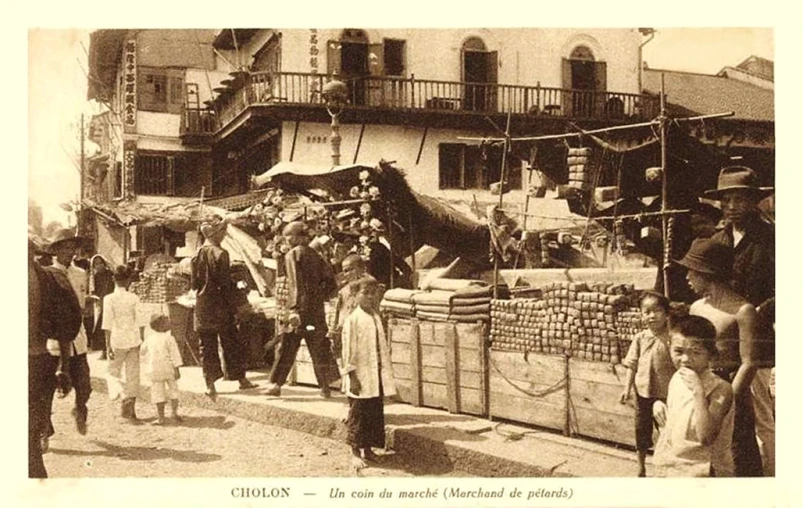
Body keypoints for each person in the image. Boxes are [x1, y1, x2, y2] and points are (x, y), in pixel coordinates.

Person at [703, 165, 775, 476]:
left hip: (757, 337)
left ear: (753, 201)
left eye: (739, 200)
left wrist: (760, 312)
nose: (732, 206)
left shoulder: (770, 238)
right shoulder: (718, 238)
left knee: (761, 415)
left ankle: (776, 475)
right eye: (727, 200)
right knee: (734, 414)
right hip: (725, 341)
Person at [677, 237, 762, 476]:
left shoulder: (743, 311)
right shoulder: (696, 307)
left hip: (731, 387)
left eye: (691, 272)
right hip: (701, 385)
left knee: (737, 453)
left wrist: (727, 400)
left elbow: (750, 362)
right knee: (702, 453)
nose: (687, 278)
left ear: (707, 273)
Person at [653, 315, 734, 477]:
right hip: (674, 465)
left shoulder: (721, 389)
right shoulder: (677, 378)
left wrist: (698, 391)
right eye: (678, 351)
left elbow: (706, 437)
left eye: (696, 352)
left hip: (704, 470)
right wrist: (660, 407)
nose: (685, 359)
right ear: (669, 348)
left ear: (711, 354)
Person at [266, 221, 338, 398]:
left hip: (298, 310)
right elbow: (331, 283)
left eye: (289, 236)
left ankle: (276, 384)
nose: (287, 239)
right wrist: (319, 297)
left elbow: (296, 285)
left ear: (299, 237)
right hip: (316, 309)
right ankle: (325, 387)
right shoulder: (316, 255)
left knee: (288, 347)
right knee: (319, 346)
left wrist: (294, 309)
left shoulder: (293, 254)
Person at [29, 233, 81, 478]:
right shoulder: (50, 276)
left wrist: (64, 364)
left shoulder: (48, 278)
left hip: (36, 359)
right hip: (38, 359)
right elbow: (67, 323)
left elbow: (66, 321)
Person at [191, 217, 256, 399]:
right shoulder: (221, 253)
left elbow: (194, 284)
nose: (225, 234)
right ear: (215, 233)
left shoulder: (196, 255)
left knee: (207, 347)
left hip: (203, 307)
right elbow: (225, 285)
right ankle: (241, 380)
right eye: (223, 231)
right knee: (231, 342)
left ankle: (210, 385)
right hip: (220, 306)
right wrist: (240, 303)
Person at [340, 277, 396, 470]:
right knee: (358, 413)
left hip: (374, 374)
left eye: (373, 294)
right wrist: (352, 376)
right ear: (354, 296)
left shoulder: (374, 316)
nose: (370, 297)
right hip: (359, 376)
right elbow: (347, 351)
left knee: (374, 412)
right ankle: (355, 452)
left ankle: (369, 449)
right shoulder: (352, 320)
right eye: (365, 293)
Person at [619, 291, 676, 477]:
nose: (652, 316)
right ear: (641, 315)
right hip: (643, 392)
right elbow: (632, 365)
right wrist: (626, 388)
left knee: (667, 429)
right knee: (641, 430)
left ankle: (667, 465)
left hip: (666, 393)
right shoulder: (640, 338)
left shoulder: (672, 338)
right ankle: (641, 465)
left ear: (667, 314)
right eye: (647, 312)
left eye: (657, 311)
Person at [44, 228, 93, 437]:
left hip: (77, 337)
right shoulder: (47, 275)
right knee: (46, 390)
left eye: (73, 247)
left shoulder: (81, 274)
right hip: (53, 342)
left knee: (84, 385)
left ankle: (80, 409)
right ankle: (45, 429)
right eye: (65, 247)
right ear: (56, 251)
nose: (70, 251)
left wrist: (88, 303)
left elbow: (81, 305)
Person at [103, 265, 145, 422]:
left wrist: (107, 345)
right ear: (128, 281)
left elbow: (107, 323)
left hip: (117, 339)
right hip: (133, 339)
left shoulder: (109, 299)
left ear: (114, 279)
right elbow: (140, 321)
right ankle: (131, 410)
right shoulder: (134, 298)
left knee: (111, 372)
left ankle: (122, 394)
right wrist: (140, 339)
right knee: (133, 374)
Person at [141, 313, 183, 425]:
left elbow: (142, 351)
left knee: (158, 392)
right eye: (167, 321)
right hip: (169, 369)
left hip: (154, 369)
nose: (170, 323)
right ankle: (174, 412)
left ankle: (161, 417)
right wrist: (177, 369)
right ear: (161, 325)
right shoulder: (169, 338)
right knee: (174, 389)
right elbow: (175, 355)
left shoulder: (150, 339)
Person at [330, 254, 375, 360]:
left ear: (362, 269)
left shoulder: (369, 287)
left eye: (351, 270)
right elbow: (338, 310)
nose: (347, 274)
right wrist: (334, 329)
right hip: (345, 331)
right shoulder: (343, 290)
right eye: (345, 271)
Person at [88, 255, 115, 359]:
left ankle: (111, 350)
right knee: (100, 327)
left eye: (100, 263)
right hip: (100, 305)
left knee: (110, 327)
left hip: (110, 303)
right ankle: (104, 351)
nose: (99, 266)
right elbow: (92, 291)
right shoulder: (94, 277)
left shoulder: (110, 275)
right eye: (96, 264)